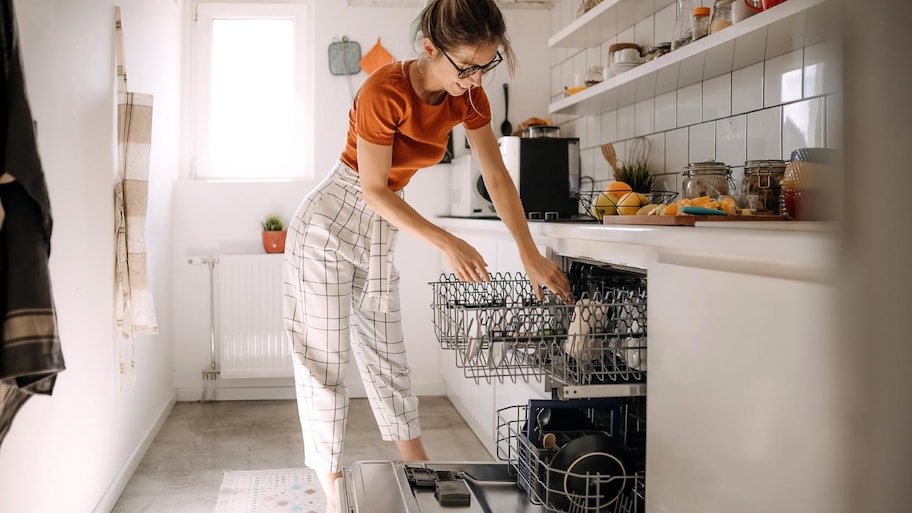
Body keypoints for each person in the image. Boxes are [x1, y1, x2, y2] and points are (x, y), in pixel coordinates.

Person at [282, 0, 573, 510]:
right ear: (429, 48)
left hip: (379, 230)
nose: (474, 78)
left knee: (389, 358)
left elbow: (498, 177)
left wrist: (529, 253)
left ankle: (422, 478)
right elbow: (372, 188)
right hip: (329, 224)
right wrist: (446, 239)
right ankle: (332, 498)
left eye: (486, 65)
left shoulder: (470, 95)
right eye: (466, 67)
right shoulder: (383, 91)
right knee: (324, 368)